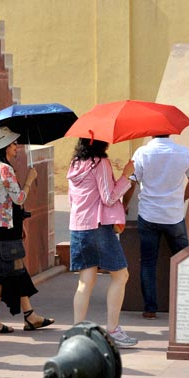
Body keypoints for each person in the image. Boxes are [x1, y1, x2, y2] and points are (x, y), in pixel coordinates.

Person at [0, 126, 54, 333]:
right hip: (4, 230)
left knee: (13, 272)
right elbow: (18, 198)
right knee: (4, 274)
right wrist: (30, 181)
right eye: (14, 144)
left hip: (2, 228)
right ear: (4, 146)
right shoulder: (4, 168)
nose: (17, 148)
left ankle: (27, 316)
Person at [67, 137, 138, 348]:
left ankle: (77, 332)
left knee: (85, 281)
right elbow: (108, 197)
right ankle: (113, 330)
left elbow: (72, 199)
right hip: (98, 226)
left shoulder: (75, 164)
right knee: (121, 275)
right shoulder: (100, 163)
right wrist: (126, 175)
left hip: (78, 226)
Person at [122, 135, 189, 320]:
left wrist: (124, 204)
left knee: (148, 262)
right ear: (170, 133)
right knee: (184, 260)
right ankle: (185, 305)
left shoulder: (142, 152)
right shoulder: (183, 152)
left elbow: (131, 182)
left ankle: (150, 309)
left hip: (149, 215)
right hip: (174, 216)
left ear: (152, 134)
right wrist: (181, 199)